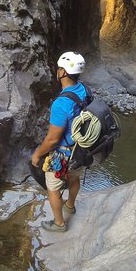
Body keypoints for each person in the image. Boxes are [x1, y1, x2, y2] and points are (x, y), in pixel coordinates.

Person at [31, 51, 89, 232]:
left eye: (59, 68)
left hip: (64, 153)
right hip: (81, 149)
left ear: (63, 72)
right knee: (74, 177)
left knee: (53, 187)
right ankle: (70, 206)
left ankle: (59, 224)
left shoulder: (61, 103)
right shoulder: (84, 89)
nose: (57, 71)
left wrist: (37, 155)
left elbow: (52, 139)